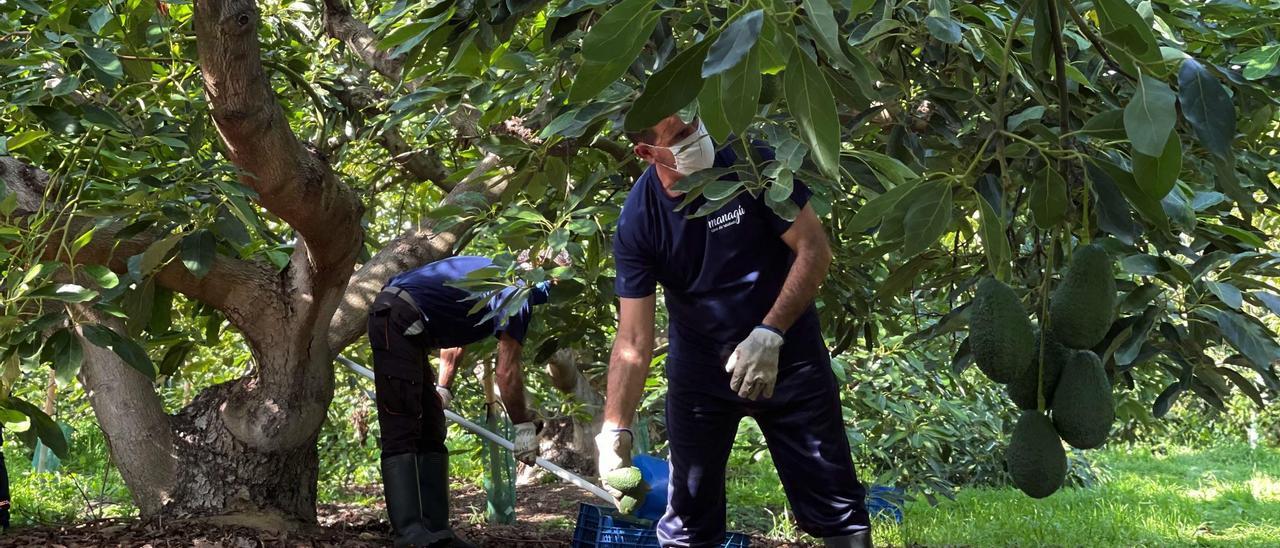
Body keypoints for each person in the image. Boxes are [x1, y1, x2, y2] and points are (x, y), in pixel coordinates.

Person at [595, 115, 873, 547]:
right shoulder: (639, 220)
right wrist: (614, 432)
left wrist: (771, 332)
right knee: (688, 519)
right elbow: (632, 340)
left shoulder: (749, 162)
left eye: (696, 124)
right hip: (701, 371)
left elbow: (814, 248)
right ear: (647, 154)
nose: (698, 137)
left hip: (787, 354)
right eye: (682, 137)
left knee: (836, 507)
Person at [367, 255, 551, 547]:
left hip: (410, 323)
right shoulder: (517, 289)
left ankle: (437, 530)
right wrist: (523, 429)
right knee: (402, 421)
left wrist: (442, 390)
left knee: (432, 428)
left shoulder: (491, 277)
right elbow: (506, 374)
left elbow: (455, 335)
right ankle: (410, 533)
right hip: (396, 318)